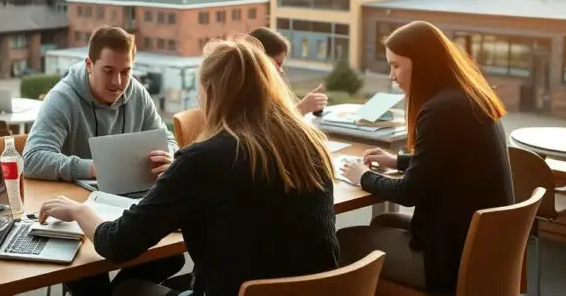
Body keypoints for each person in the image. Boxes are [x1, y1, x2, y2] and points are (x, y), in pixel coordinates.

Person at [38, 36, 340, 296]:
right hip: (318, 290)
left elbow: (117, 243)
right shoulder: (310, 142)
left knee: (129, 290)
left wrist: (79, 210)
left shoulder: (203, 159)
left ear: (211, 92)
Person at [337, 20, 514, 293]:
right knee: (383, 222)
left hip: (449, 258)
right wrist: (397, 161)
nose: (391, 76)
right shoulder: (468, 98)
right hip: (482, 247)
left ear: (421, 63)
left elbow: (409, 192)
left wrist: (363, 176)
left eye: (396, 65)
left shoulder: (440, 111)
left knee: (343, 240)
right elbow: (447, 161)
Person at [24, 26, 184, 296]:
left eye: (126, 71)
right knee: (89, 276)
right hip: (77, 209)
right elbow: (33, 159)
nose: (119, 82)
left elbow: (167, 140)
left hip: (125, 202)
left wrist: (167, 156)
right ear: (89, 64)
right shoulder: (63, 98)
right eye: (108, 71)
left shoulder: (137, 93)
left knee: (170, 256)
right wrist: (92, 168)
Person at [248, 27, 328, 115]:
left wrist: (305, 105)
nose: (280, 70)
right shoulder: (245, 90)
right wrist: (301, 109)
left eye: (281, 65)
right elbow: (266, 125)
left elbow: (276, 115)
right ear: (257, 60)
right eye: (276, 64)